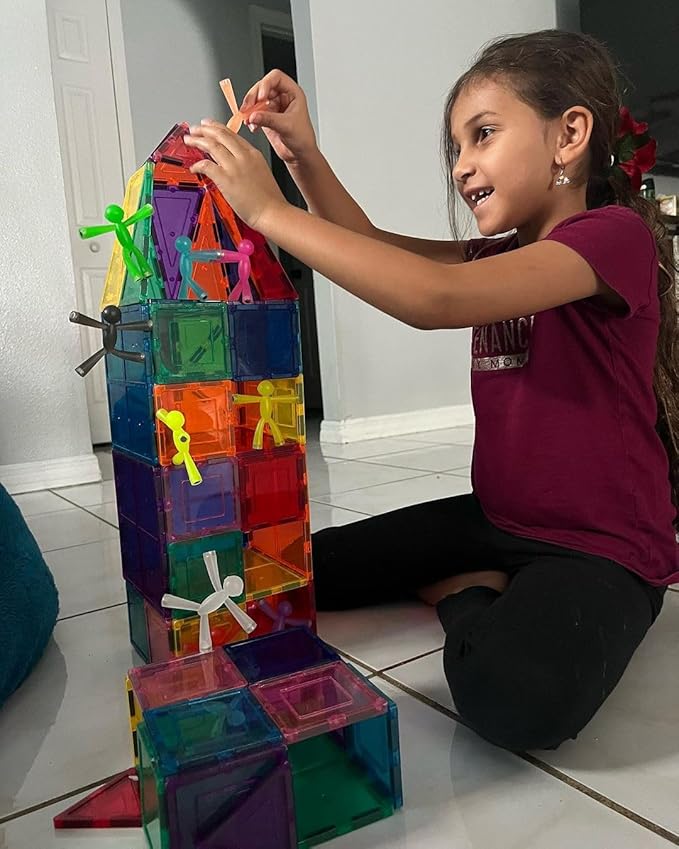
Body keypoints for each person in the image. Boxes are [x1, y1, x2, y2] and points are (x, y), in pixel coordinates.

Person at [184, 29, 679, 752]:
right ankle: (480, 568)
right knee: (297, 572)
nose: (461, 165)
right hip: (498, 517)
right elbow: (373, 245)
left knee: (515, 700)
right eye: (455, 147)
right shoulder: (498, 255)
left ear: (568, 135)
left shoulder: (612, 237)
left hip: (600, 546)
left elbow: (433, 298)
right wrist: (300, 154)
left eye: (483, 134)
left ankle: (465, 591)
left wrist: (267, 212)